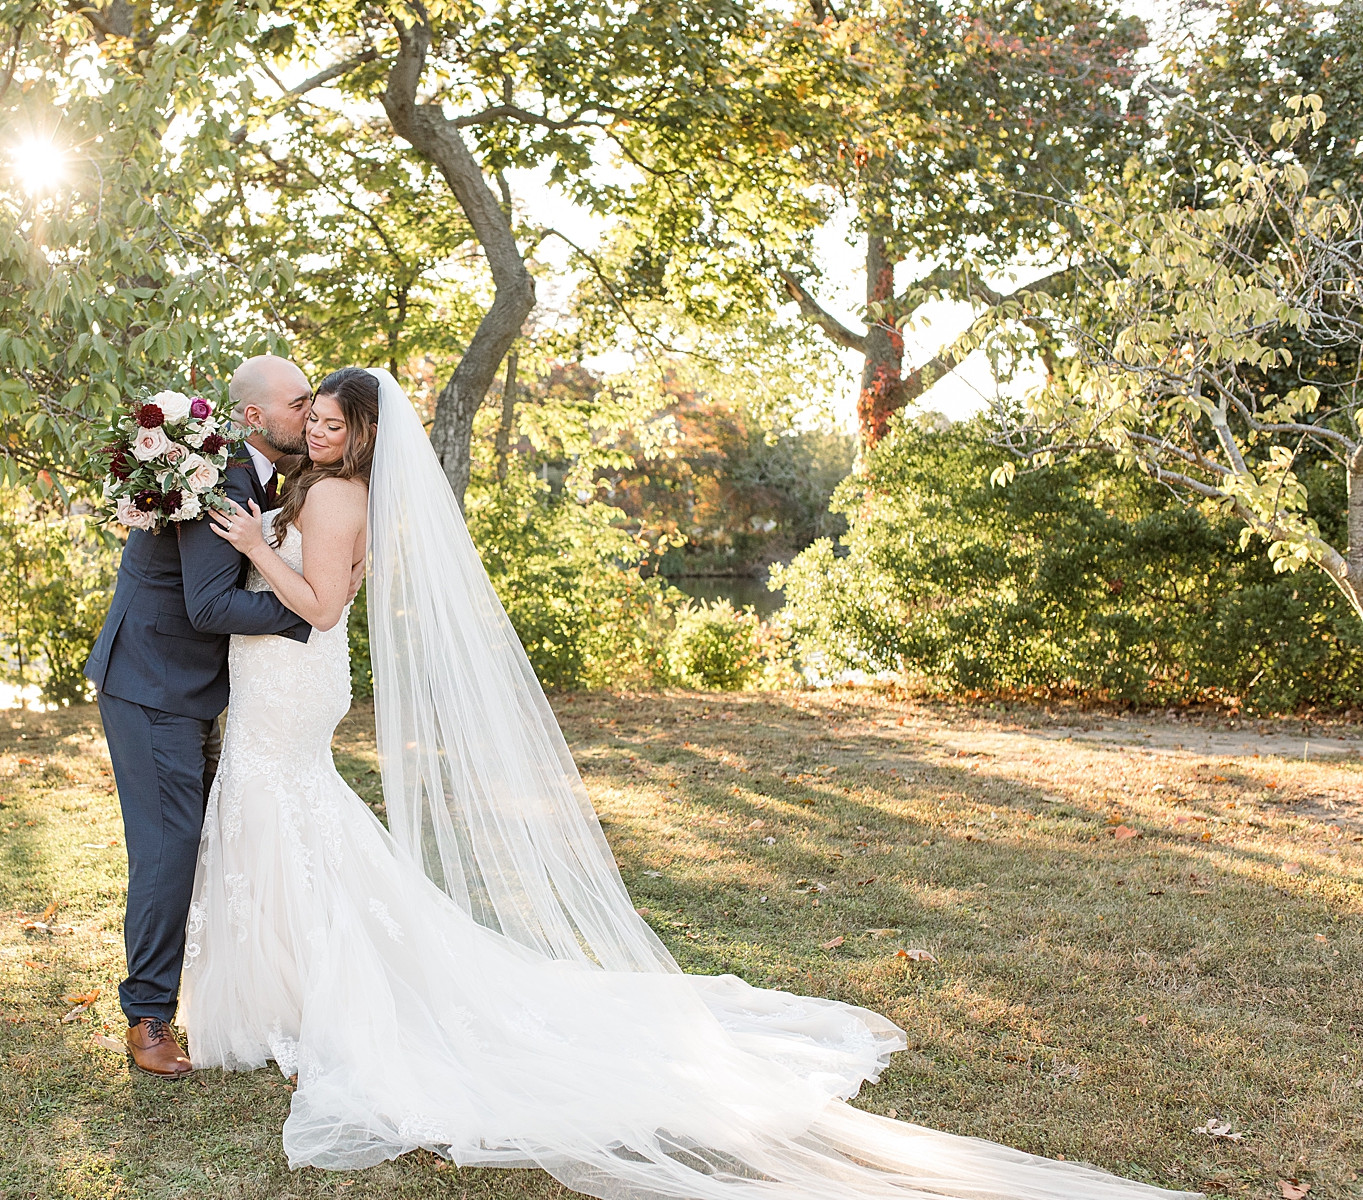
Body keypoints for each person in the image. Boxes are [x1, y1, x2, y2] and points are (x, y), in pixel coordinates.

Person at [193, 366, 1196, 1200]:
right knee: (300, 826)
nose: (317, 432)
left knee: (292, 817)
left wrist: (249, 552)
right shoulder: (318, 489)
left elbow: (322, 606)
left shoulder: (331, 496)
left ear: (363, 435)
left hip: (294, 676)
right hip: (286, 691)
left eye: (332, 422)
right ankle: (289, 985)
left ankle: (304, 995)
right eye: (311, 419)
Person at [82, 355, 312, 1077]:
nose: (311, 414)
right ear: (253, 419)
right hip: (150, 683)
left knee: (209, 836)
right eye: (300, 404)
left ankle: (216, 998)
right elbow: (209, 606)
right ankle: (148, 1017)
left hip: (192, 684)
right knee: (169, 847)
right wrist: (312, 609)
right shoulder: (217, 478)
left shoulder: (261, 475)